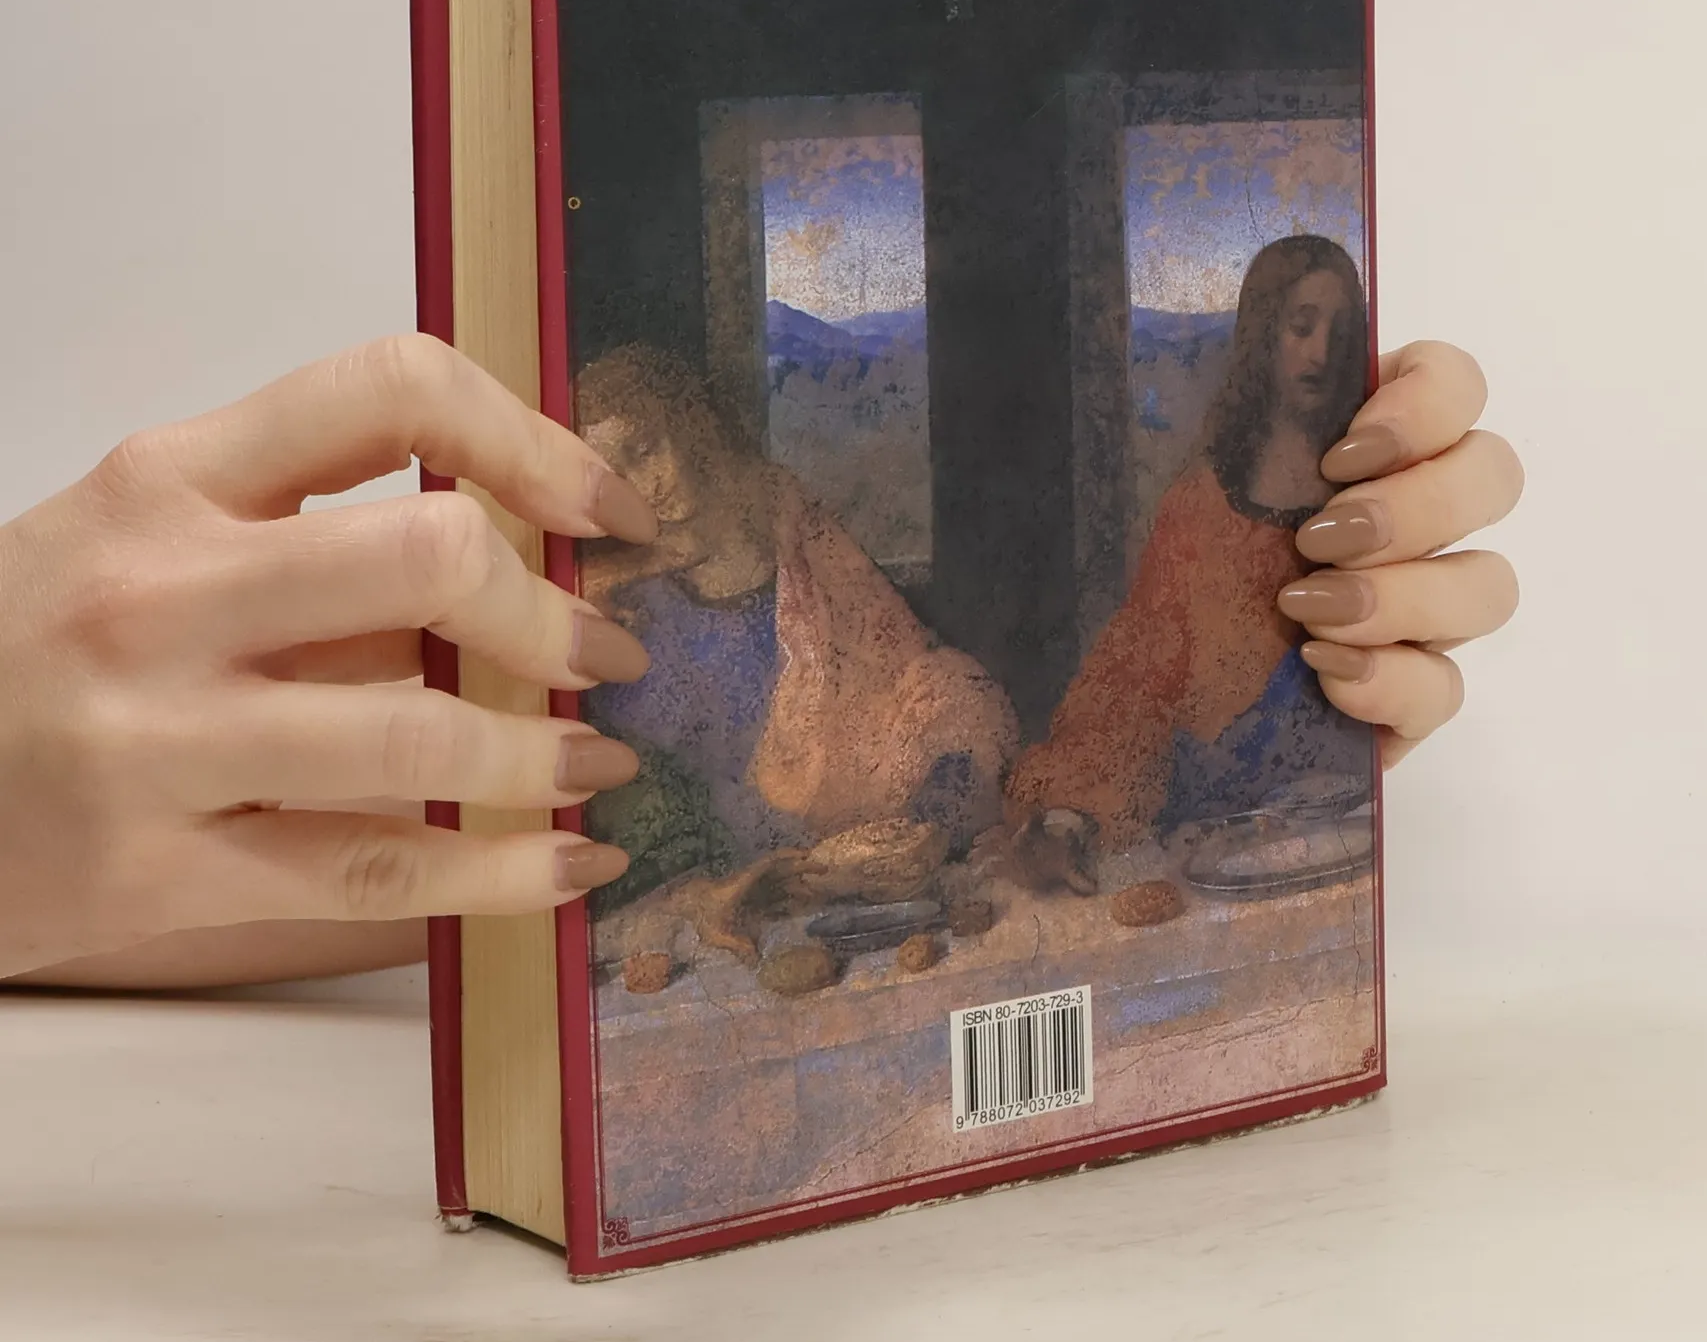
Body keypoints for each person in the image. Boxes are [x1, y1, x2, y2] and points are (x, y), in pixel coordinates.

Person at [0, 314, 1521, 991]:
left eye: (654, 445)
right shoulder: (575, 593)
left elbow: (907, 676)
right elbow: (627, 802)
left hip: (852, 860)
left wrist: (1270, 708)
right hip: (712, 892)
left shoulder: (784, 529)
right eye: (606, 458)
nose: (642, 486)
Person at [1004, 236, 1522, 866]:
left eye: (1340, 332)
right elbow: (1134, 676)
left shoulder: (1373, 489)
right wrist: (1071, 807)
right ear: (1263, 333)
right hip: (1210, 840)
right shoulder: (1200, 507)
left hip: (1338, 837)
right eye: (1301, 326)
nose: (1321, 353)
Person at [567, 342, 1016, 955]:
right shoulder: (606, 601)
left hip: (860, 832)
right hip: (727, 877)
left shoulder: (781, 513)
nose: (649, 485)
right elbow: (647, 813)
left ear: (688, 422)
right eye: (615, 476)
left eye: (646, 449)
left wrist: (931, 817)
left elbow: (906, 662)